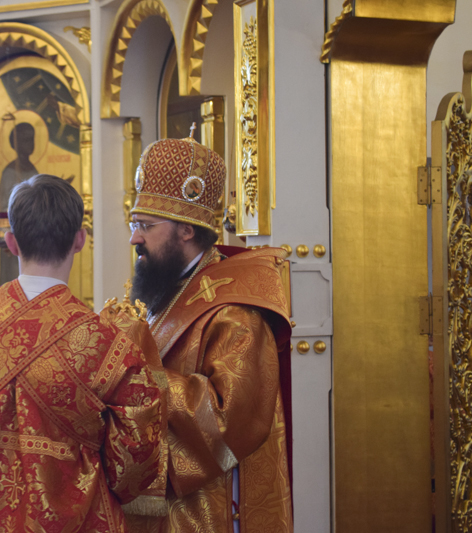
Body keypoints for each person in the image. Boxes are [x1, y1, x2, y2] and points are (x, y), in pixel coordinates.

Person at [0, 174, 163, 532]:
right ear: (80, 240)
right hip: (79, 519)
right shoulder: (107, 344)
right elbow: (137, 455)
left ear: (11, 242)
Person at [125, 136, 293, 533]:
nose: (135, 238)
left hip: (207, 515)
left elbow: (226, 422)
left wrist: (135, 370)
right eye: (134, 224)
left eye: (146, 226)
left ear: (186, 230)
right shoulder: (165, 290)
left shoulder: (235, 312)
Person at [0, 122, 39, 284]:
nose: (30, 144)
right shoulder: (9, 172)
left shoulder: (33, 170)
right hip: (15, 238)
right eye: (26, 140)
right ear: (17, 143)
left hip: (34, 238)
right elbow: (3, 209)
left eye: (32, 139)